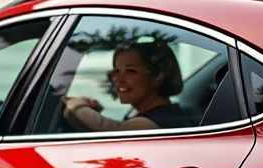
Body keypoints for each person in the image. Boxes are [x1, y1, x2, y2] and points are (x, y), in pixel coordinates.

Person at [62, 41, 194, 131]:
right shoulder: (171, 115)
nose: (118, 79)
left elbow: (111, 129)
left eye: (131, 71)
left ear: (158, 76)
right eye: (117, 71)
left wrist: (76, 105)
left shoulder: (154, 122)